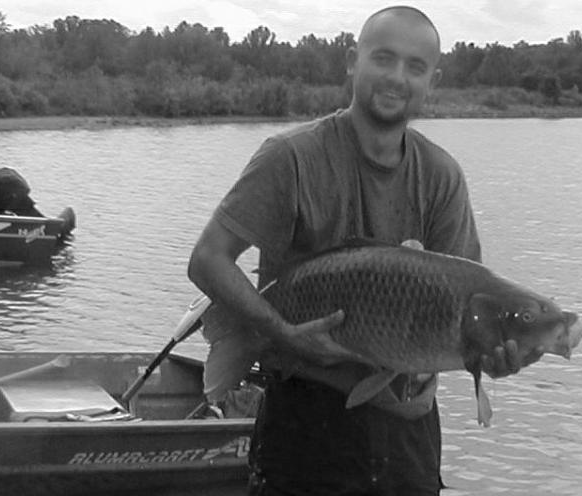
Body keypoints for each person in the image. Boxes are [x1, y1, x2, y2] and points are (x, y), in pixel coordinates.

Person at [188, 6, 540, 495]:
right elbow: (208, 259)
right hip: (304, 424)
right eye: (383, 58)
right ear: (353, 61)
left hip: (408, 435)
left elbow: (468, 306)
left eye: (415, 66)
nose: (397, 77)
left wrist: (492, 357)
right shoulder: (291, 156)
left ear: (433, 81)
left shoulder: (441, 176)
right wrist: (281, 332)